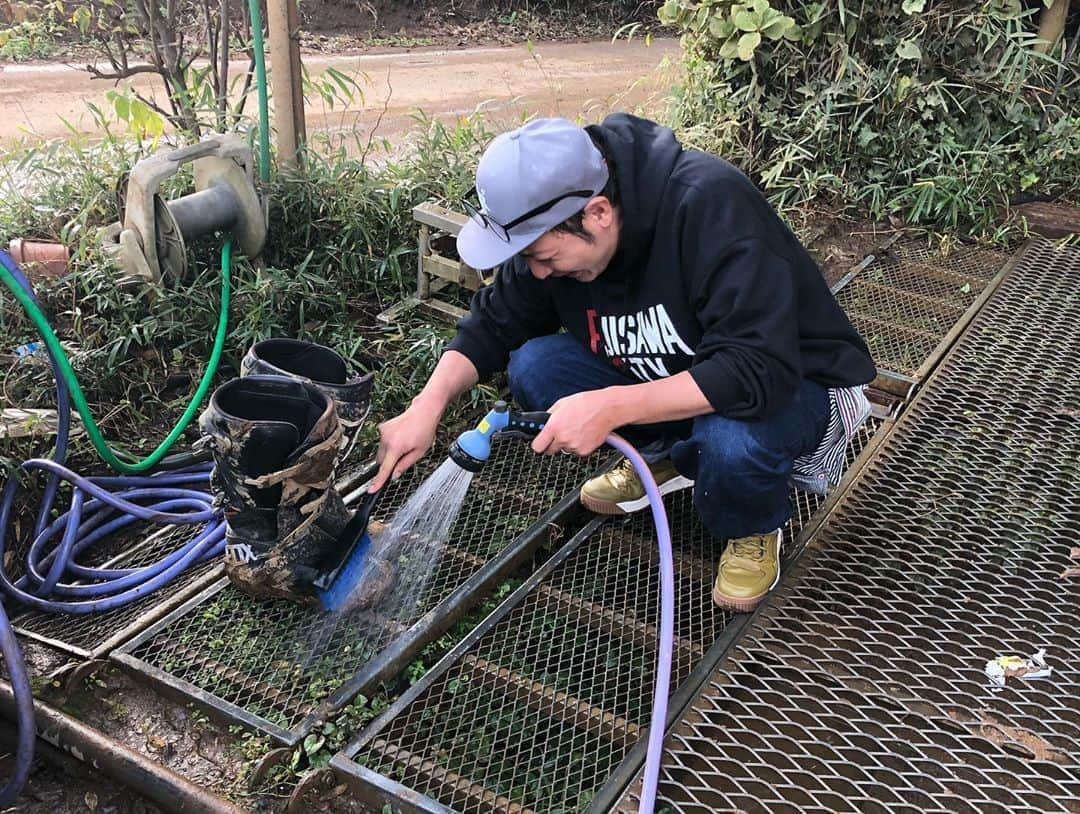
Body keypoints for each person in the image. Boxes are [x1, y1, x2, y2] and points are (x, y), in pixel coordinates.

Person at [369, 114, 875, 612]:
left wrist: (611, 407)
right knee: (536, 368)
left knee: (731, 443)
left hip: (789, 383)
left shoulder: (708, 205)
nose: (539, 274)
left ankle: (754, 522)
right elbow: (493, 324)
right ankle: (662, 458)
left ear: (598, 213)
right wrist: (426, 406)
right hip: (671, 372)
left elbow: (754, 369)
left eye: (545, 258)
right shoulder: (551, 233)